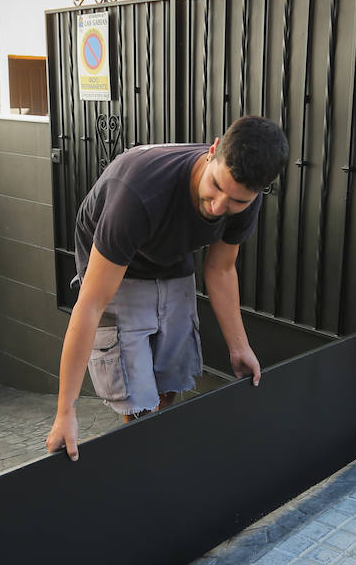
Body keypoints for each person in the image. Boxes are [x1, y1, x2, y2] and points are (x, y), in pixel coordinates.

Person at [45, 115, 289, 460]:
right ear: (214, 150)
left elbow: (220, 269)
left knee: (170, 376)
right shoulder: (139, 193)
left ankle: (159, 444)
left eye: (236, 201)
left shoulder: (244, 200)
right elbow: (91, 304)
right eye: (216, 186)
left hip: (170, 254)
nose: (220, 207)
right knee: (137, 393)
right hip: (118, 262)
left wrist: (239, 347)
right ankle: (144, 455)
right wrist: (65, 411)